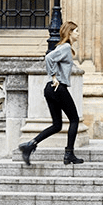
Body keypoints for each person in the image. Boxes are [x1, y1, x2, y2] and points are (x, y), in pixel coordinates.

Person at [18, 21, 84, 166]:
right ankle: (69, 154)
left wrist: (53, 78)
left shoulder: (63, 47)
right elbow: (48, 58)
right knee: (74, 119)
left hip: (50, 89)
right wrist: (54, 77)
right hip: (58, 88)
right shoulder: (66, 47)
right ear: (70, 32)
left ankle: (30, 144)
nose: (79, 34)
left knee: (57, 125)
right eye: (77, 31)